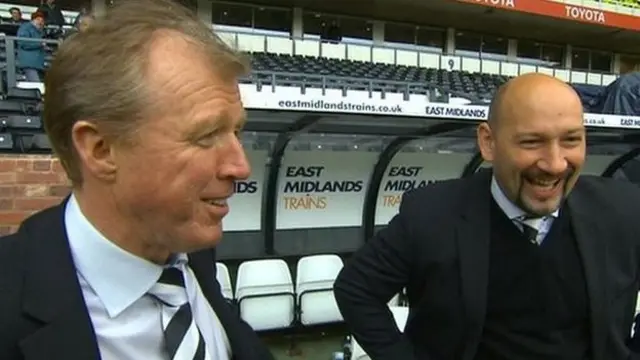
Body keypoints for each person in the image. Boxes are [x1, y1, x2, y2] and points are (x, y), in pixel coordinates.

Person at [0, 0, 274, 359]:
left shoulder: (192, 252)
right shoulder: (10, 303)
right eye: (206, 135)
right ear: (101, 150)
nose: (240, 167)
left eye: (236, 131)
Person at [333, 73, 640, 360]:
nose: (555, 164)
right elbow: (356, 288)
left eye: (571, 140)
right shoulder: (432, 213)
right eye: (531, 142)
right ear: (488, 142)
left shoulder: (624, 210)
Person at [16, 11, 46, 82]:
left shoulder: (39, 31)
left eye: (42, 20)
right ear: (32, 20)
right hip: (29, 63)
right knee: (35, 85)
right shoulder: (26, 27)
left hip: (36, 64)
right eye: (38, 19)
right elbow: (23, 42)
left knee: (32, 86)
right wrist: (40, 43)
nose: (40, 22)